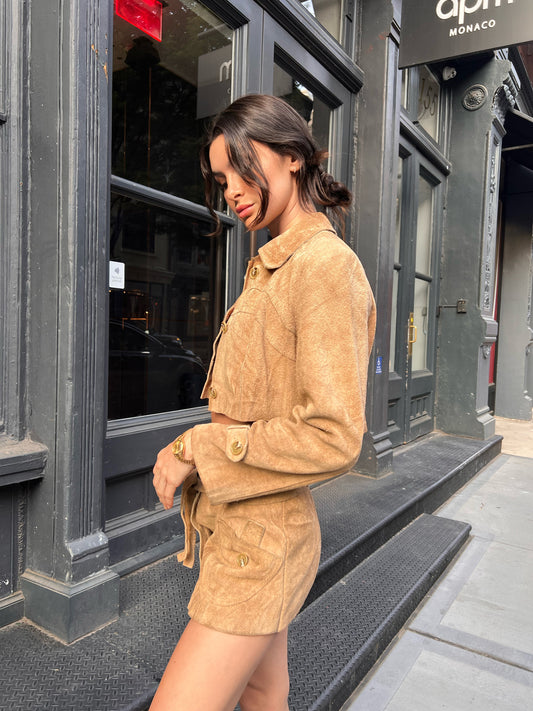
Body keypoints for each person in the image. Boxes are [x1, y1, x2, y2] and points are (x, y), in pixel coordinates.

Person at [150, 93, 376, 711]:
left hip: (264, 540)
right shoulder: (272, 267)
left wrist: (196, 447)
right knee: (262, 693)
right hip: (240, 526)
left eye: (241, 169)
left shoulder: (324, 268)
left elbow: (334, 435)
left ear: (292, 156)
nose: (231, 191)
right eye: (221, 180)